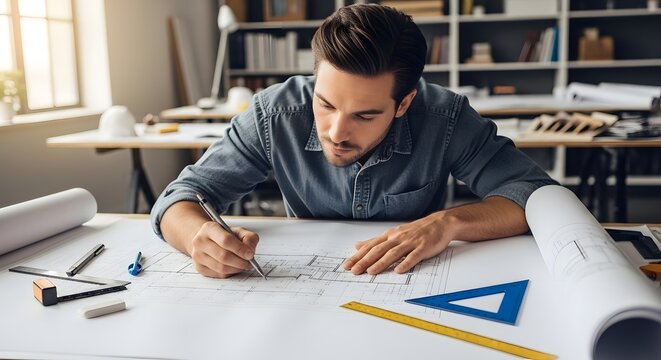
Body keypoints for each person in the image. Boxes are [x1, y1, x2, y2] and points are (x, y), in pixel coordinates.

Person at [151, 4, 556, 279]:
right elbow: (182, 196)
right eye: (325, 104)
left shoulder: (443, 117)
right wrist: (195, 237)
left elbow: (534, 195)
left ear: (405, 102)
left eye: (365, 115)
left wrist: (448, 222)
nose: (336, 132)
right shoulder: (274, 113)